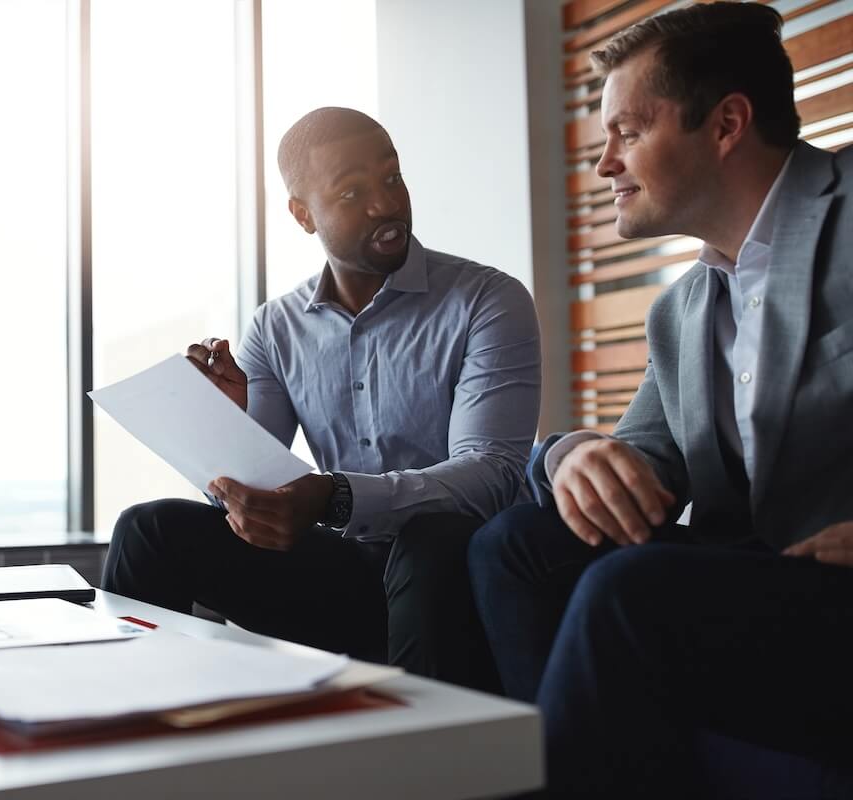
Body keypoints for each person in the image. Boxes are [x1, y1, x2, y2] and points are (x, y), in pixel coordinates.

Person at [467, 3, 853, 797]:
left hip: (834, 601)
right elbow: (641, 465)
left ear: (726, 124)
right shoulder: (678, 312)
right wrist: (573, 455)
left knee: (625, 595)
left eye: (627, 132)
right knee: (508, 546)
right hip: (750, 592)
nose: (604, 164)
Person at [101, 107, 541, 689]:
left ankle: (431, 761)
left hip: (453, 577)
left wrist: (334, 497)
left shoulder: (487, 300)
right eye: (353, 192)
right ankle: (130, 726)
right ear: (304, 215)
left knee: (428, 538)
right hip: (340, 579)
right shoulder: (275, 328)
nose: (386, 204)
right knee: (148, 529)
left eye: (392, 178)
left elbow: (492, 474)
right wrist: (223, 433)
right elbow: (251, 498)